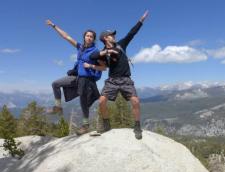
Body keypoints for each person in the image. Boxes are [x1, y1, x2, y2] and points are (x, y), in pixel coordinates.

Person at [85, 10, 149, 139]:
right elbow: (100, 65)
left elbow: (132, 33)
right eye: (111, 35)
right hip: (112, 80)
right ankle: (106, 124)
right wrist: (92, 65)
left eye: (113, 35)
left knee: (135, 101)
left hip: (126, 79)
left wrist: (140, 21)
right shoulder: (103, 52)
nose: (113, 36)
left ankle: (137, 126)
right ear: (105, 38)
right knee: (102, 101)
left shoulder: (121, 45)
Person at [46, 19, 104, 135]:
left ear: (93, 39)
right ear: (84, 37)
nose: (89, 38)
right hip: (76, 76)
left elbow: (103, 67)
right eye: (87, 36)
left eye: (91, 36)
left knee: (83, 101)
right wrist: (53, 26)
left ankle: (85, 125)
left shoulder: (95, 52)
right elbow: (66, 37)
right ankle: (58, 107)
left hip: (87, 79)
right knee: (55, 84)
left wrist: (91, 65)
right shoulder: (80, 48)